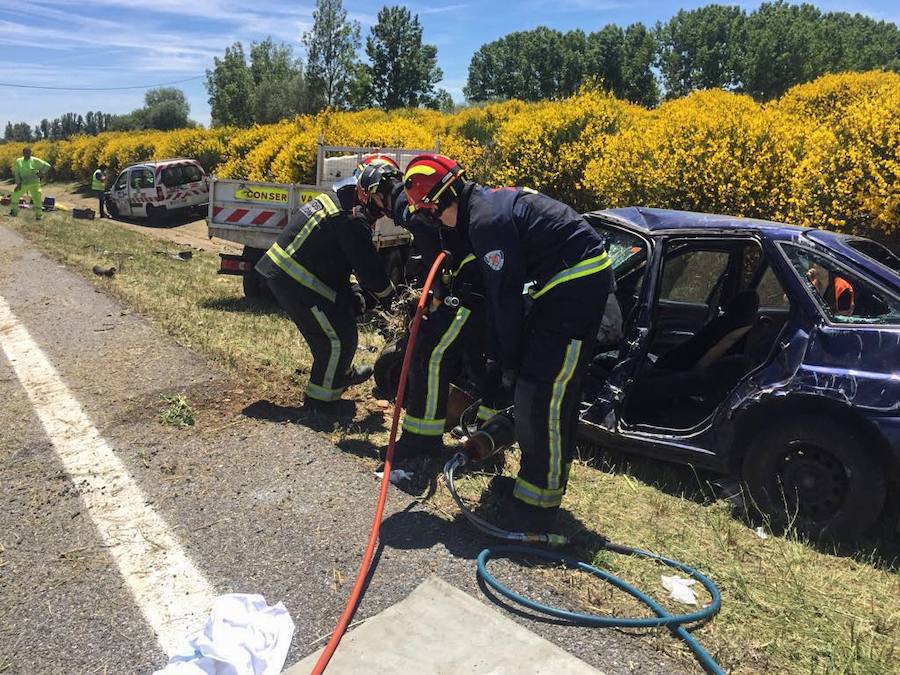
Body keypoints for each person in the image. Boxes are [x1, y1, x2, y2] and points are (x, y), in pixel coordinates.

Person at [403, 154, 613, 530]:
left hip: (577, 285)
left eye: (431, 214)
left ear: (440, 203)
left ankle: (538, 509)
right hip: (561, 284)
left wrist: (507, 358)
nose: (433, 222)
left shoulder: (485, 222)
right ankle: (532, 491)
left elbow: (505, 298)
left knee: (543, 392)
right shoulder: (478, 208)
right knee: (534, 390)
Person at [356, 159, 496, 462]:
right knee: (479, 363)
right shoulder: (452, 200)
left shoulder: (414, 209)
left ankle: (421, 442)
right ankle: (488, 438)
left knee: (427, 355)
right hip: (483, 289)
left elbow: (424, 231)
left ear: (377, 194)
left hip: (470, 291)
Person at [255, 176, 395, 410]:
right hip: (296, 279)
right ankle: (321, 403)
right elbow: (371, 274)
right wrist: (393, 299)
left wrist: (355, 297)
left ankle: (340, 374)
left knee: (344, 316)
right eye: (385, 196)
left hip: (302, 272)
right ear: (367, 194)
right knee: (335, 340)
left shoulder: (340, 200)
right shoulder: (350, 219)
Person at [9, 147, 51, 221]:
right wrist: (18, 183)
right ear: (23, 153)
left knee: (37, 198)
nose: (27, 154)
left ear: (31, 153)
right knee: (15, 195)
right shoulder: (19, 161)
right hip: (23, 183)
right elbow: (17, 173)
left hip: (34, 183)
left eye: (29, 153)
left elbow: (47, 166)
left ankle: (39, 216)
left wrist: (41, 173)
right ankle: (14, 212)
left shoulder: (35, 160)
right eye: (26, 153)